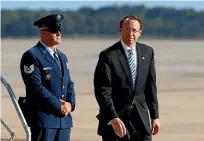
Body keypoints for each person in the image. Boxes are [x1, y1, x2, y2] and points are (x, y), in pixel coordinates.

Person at [93, 15, 160, 141]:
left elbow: (151, 87)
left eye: (134, 30)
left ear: (140, 32)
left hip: (141, 119)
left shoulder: (147, 52)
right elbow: (102, 90)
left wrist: (155, 116)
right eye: (127, 29)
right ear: (120, 30)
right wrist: (113, 117)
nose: (131, 33)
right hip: (117, 121)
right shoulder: (108, 55)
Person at [20, 14, 75, 141]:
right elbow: (36, 87)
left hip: (64, 122)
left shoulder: (62, 57)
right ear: (43, 33)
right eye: (54, 31)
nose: (58, 33)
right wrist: (58, 105)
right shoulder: (32, 56)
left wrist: (70, 104)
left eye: (60, 30)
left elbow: (69, 83)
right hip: (44, 121)